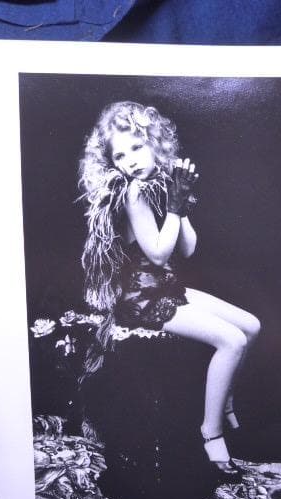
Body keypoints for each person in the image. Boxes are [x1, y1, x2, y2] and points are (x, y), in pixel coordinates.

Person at [79, 101, 260, 478]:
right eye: (119, 155)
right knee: (232, 341)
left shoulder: (158, 185)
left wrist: (182, 204)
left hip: (167, 289)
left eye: (137, 147)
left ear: (155, 144)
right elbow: (160, 254)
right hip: (141, 300)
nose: (130, 160)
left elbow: (188, 249)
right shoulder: (133, 193)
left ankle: (225, 399)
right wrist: (174, 209)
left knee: (251, 326)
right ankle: (211, 433)